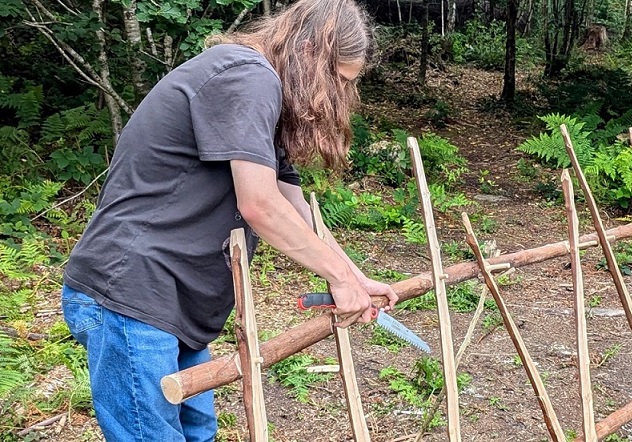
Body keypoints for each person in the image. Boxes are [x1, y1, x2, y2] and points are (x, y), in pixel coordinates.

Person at [60, 1, 398, 440]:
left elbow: (292, 205)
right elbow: (260, 205)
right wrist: (338, 278)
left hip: (174, 302)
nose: (336, 95)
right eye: (336, 79)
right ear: (309, 50)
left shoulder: (264, 98)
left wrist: (354, 277)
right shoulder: (245, 75)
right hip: (132, 293)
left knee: (198, 432)